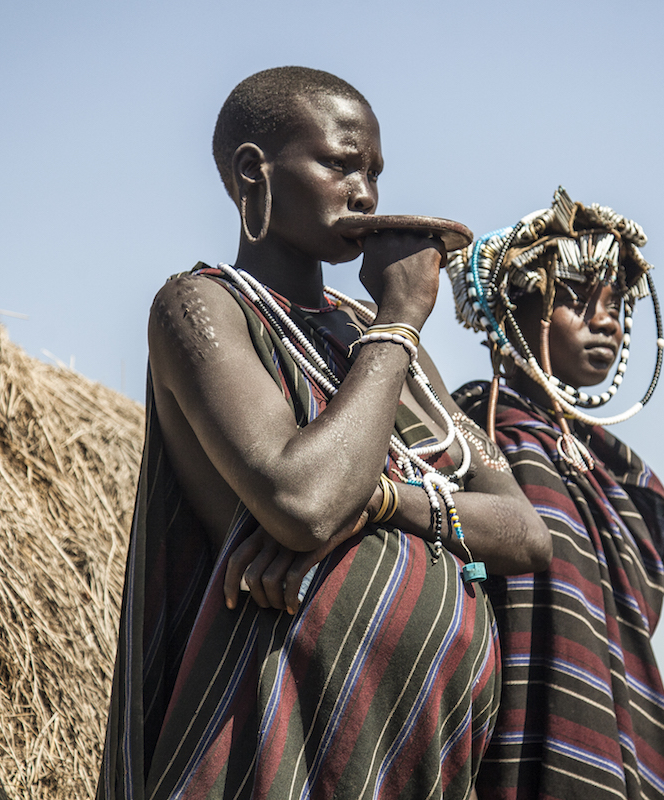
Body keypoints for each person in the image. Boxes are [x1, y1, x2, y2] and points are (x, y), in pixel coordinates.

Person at [97, 67, 551, 800]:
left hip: (418, 745)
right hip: (283, 729)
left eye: (374, 171)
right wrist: (402, 317)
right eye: (341, 164)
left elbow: (525, 533)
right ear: (254, 172)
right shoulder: (201, 308)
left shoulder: (375, 341)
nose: (366, 194)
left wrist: (381, 504)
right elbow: (303, 498)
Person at [448, 187, 664, 800]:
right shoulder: (473, 436)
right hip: (506, 740)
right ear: (513, 309)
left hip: (616, 733)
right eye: (578, 300)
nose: (606, 320)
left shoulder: (618, 474)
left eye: (615, 304)